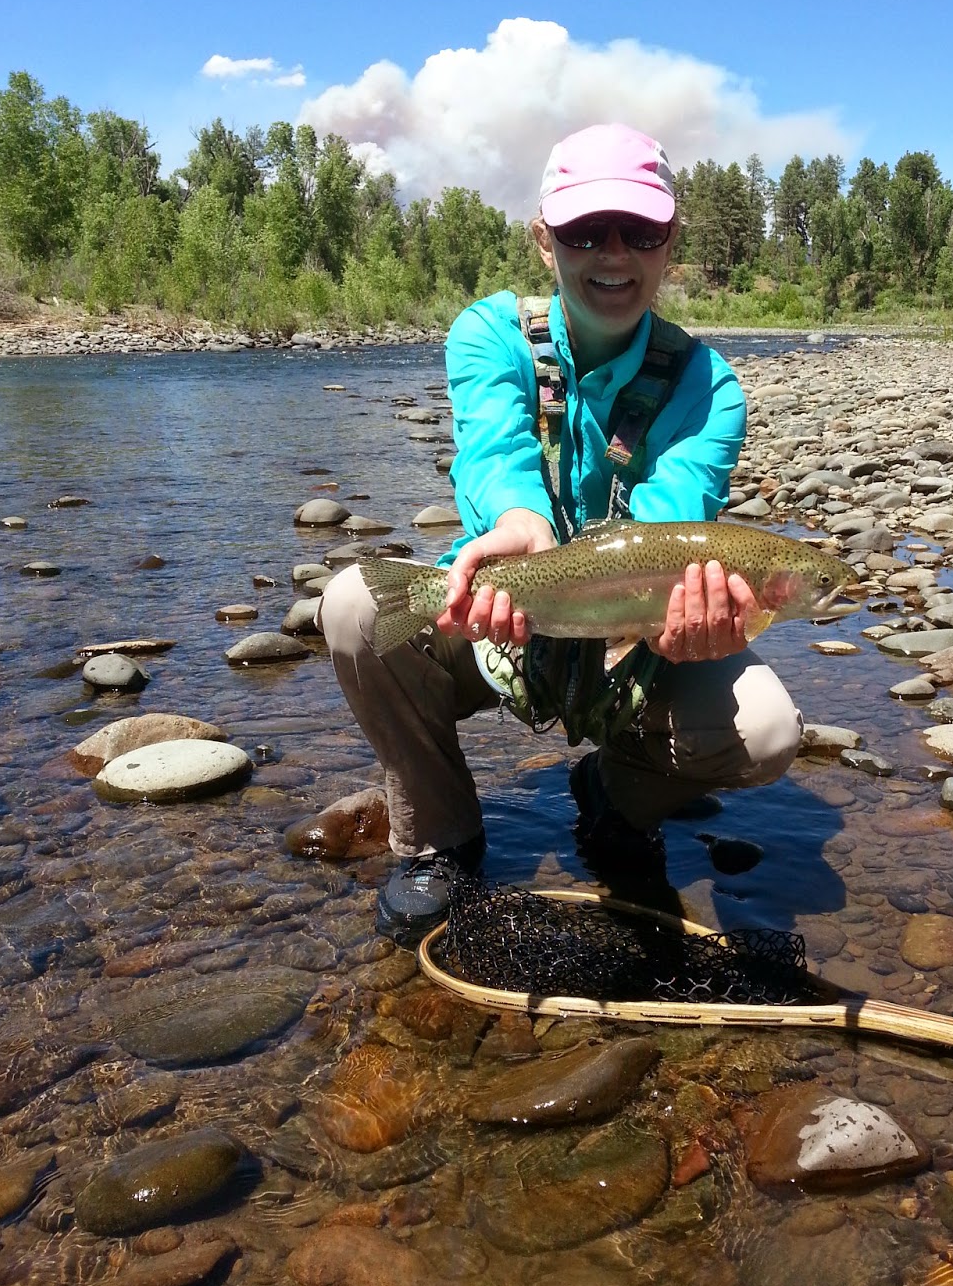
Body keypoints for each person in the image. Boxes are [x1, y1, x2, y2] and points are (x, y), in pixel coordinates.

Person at [318, 123, 803, 944]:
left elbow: (668, 518)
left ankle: (614, 797)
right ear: (545, 242)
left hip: (630, 623)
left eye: (639, 232)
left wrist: (671, 617)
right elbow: (494, 448)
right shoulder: (488, 334)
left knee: (768, 732)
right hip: (502, 612)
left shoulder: (709, 386)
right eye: (585, 232)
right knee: (354, 610)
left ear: (669, 241)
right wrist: (522, 526)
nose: (613, 254)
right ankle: (441, 839)